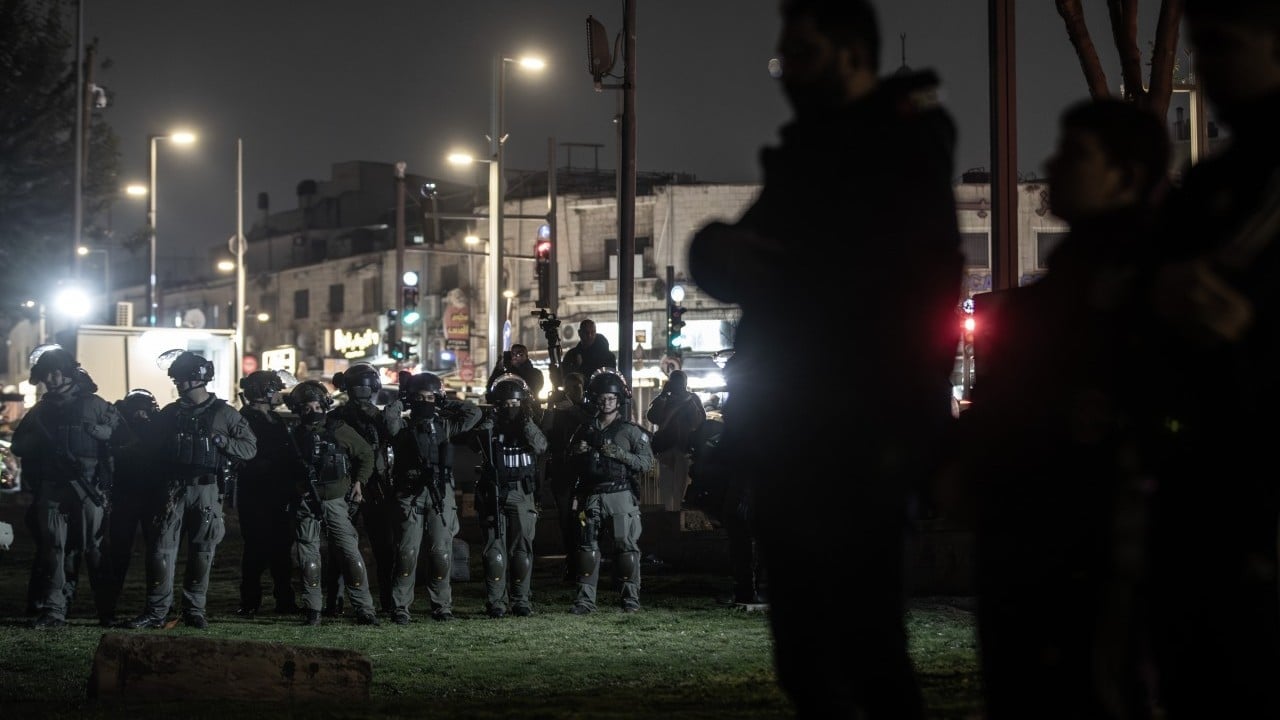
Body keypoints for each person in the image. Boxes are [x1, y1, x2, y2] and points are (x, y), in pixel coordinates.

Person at [688, 1, 963, 715]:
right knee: (808, 652)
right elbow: (738, 256)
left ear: (847, 53)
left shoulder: (898, 144)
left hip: (862, 432)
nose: (787, 76)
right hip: (795, 432)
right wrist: (722, 251)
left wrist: (779, 269)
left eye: (799, 57)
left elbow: (900, 283)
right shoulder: (810, 152)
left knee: (861, 648)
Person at [956, 98, 1171, 719]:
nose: (1051, 166)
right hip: (1040, 555)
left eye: (1076, 155)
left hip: (1091, 556)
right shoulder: (1063, 293)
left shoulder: (1149, 296)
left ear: (1126, 175)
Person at [1138, 2, 1280, 716]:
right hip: (1209, 474)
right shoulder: (1219, 182)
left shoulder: (1243, 185)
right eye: (1202, 49)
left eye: (1225, 46)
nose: (1209, 68)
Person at [124, 350, 257, 629]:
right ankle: (157, 611)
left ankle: (194, 609)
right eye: (176, 378)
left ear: (198, 378)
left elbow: (249, 448)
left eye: (182, 378)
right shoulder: (170, 414)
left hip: (207, 489)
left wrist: (223, 442)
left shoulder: (224, 413)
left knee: (203, 551)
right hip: (172, 489)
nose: (178, 384)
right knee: (161, 551)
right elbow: (149, 447)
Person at [10, 345, 123, 628]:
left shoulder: (95, 405)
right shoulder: (40, 412)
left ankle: (106, 611)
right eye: (46, 375)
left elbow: (123, 440)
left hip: (88, 487)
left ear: (66, 373)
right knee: (53, 550)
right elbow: (19, 445)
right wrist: (41, 443)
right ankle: (54, 610)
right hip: (52, 487)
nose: (50, 380)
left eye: (53, 373)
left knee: (94, 550)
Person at [387, 371, 482, 623]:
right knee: (407, 554)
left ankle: (442, 606)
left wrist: (443, 400)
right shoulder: (403, 428)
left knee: (441, 553)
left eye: (430, 397)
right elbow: (388, 419)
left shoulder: (444, 426)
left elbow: (474, 413)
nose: (425, 402)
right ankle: (400, 607)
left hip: (440, 493)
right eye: (421, 397)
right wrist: (403, 400)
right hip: (411, 493)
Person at [283, 380, 380, 626]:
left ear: (325, 405)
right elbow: (285, 470)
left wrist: (359, 483)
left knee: (350, 555)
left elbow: (366, 454)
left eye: (316, 405)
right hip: (306, 503)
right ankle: (313, 609)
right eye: (306, 407)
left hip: (337, 501)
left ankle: (364, 609)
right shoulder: (295, 437)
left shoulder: (339, 429)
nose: (312, 411)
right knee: (309, 558)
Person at [566, 368, 653, 614]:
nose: (606, 402)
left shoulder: (630, 430)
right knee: (587, 549)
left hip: (620, 494)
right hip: (591, 495)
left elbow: (646, 463)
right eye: (602, 397)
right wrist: (576, 452)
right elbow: (566, 462)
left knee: (626, 549)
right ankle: (584, 601)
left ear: (619, 399)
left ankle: (630, 599)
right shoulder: (584, 428)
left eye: (611, 398)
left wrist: (619, 454)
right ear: (594, 398)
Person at [328, 361, 403, 617]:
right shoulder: (346, 417)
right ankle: (381, 601)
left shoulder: (346, 416)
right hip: (359, 484)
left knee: (352, 546)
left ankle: (337, 601)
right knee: (369, 547)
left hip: (366, 485)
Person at [470, 373, 548, 618]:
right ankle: (496, 602)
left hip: (521, 492)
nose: (510, 408)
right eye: (505, 404)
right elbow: (475, 442)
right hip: (494, 492)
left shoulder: (529, 426)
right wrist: (490, 421)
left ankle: (521, 600)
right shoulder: (490, 427)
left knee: (522, 549)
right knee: (494, 551)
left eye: (515, 404)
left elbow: (541, 446)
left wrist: (525, 422)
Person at [234, 369, 300, 618]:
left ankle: (285, 600)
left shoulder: (275, 419)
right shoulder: (246, 418)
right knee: (256, 549)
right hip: (256, 492)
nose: (278, 394)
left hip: (279, 491)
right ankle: (250, 601)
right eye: (274, 389)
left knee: (282, 549)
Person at [100, 388, 160, 625]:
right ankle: (110, 607)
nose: (141, 414)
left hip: (142, 496)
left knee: (152, 553)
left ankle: (153, 605)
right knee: (122, 554)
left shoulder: (146, 426)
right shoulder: (120, 427)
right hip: (131, 496)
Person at [540, 371, 592, 581]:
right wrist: (551, 408)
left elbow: (592, 425)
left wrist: (572, 409)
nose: (572, 392)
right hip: (562, 472)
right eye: (569, 388)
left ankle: (584, 562)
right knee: (565, 519)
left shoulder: (588, 409)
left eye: (577, 388)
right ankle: (572, 560)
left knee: (583, 519)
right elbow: (544, 431)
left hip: (583, 473)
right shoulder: (559, 412)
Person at [644, 369, 706, 511]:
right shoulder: (665, 398)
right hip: (666, 448)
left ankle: (677, 514)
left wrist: (689, 402)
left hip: (684, 448)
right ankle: (670, 516)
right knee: (666, 486)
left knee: (680, 487)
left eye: (680, 381)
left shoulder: (692, 398)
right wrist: (663, 395)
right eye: (675, 381)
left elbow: (698, 422)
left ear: (684, 383)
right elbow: (652, 417)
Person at [487, 344, 545, 413]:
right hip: (506, 411)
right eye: (513, 354)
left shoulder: (536, 373)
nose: (516, 357)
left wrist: (517, 368)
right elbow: (491, 388)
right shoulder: (505, 375)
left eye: (520, 354)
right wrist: (498, 368)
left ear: (526, 356)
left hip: (530, 411)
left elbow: (534, 389)